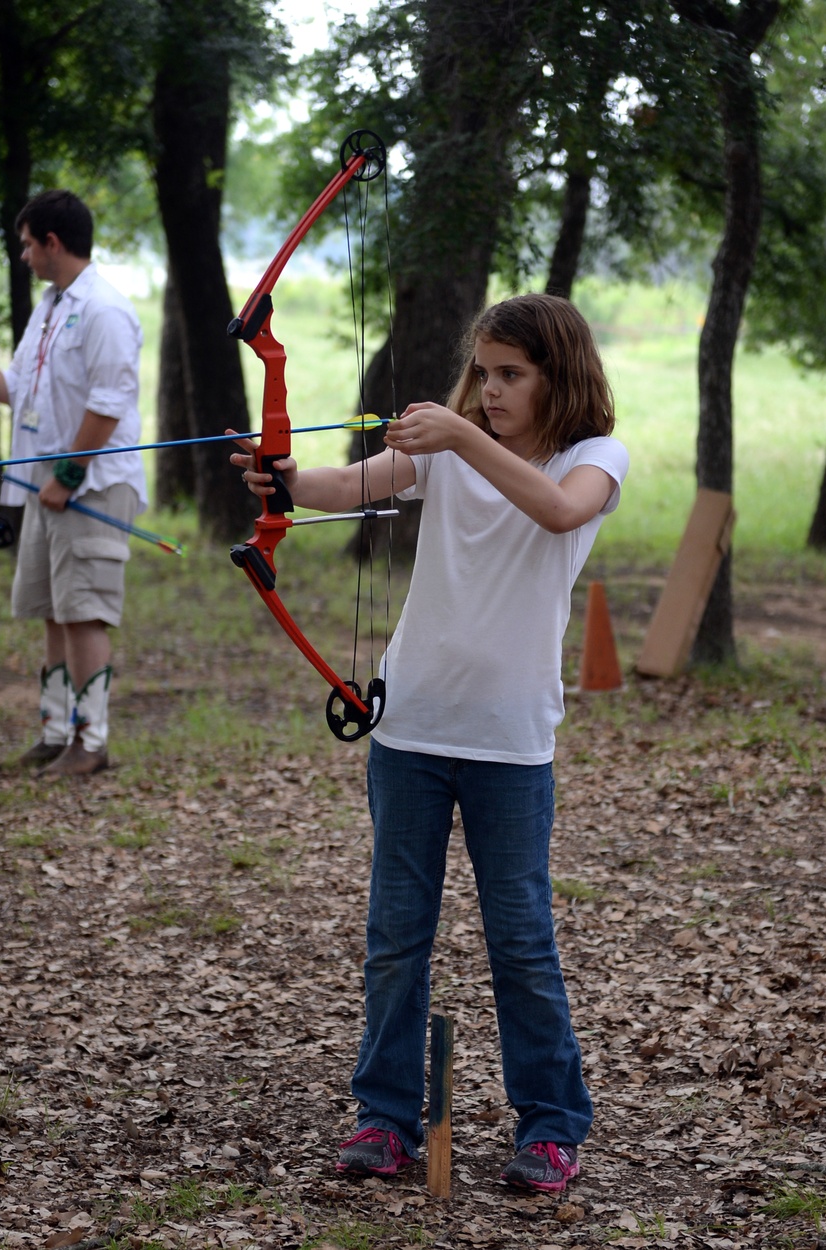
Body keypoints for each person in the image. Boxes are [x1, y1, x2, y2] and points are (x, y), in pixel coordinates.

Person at [231, 293, 629, 1193]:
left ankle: (553, 1124)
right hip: (409, 729)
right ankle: (384, 1118)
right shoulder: (444, 454)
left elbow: (560, 514)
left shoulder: (593, 459)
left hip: (510, 741)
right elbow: (341, 488)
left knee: (522, 941)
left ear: (557, 375)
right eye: (483, 373)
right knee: (395, 935)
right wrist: (281, 473)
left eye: (511, 375)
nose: (491, 390)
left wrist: (456, 436)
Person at [0, 190, 147, 777]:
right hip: (45, 487)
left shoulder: (105, 310)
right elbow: (12, 387)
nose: (23, 256)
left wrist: (68, 476)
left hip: (88, 487)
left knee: (84, 612)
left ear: (52, 242)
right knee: (53, 609)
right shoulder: (50, 306)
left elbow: (109, 402)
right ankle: (53, 733)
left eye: (25, 244)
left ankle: (90, 744)